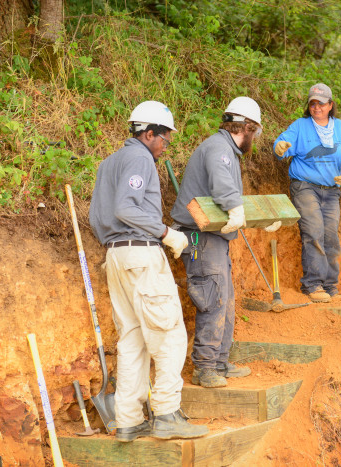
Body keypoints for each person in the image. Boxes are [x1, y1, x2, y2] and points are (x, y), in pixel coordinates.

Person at [88, 100, 208, 442]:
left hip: (115, 256)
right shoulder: (140, 158)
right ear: (148, 133)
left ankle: (127, 419)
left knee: (133, 339)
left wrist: (122, 243)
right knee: (169, 334)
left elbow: (100, 216)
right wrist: (166, 233)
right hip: (141, 255)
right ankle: (167, 414)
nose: (164, 146)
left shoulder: (109, 163)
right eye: (164, 139)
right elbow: (127, 208)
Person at [170, 96, 280, 388]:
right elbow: (223, 185)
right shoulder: (219, 149)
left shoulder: (226, 150)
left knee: (226, 299)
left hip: (213, 237)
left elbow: (226, 192)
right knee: (213, 298)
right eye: (254, 132)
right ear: (246, 126)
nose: (254, 139)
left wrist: (261, 216)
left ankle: (219, 362)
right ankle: (204, 368)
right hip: (200, 236)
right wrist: (236, 207)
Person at [272, 83, 341, 303]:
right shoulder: (301, 126)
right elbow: (282, 143)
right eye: (313, 103)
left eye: (321, 103)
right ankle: (312, 285)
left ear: (330, 105)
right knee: (314, 230)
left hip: (331, 192)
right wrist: (280, 147)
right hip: (305, 187)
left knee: (330, 236)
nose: (316, 107)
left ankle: (330, 287)